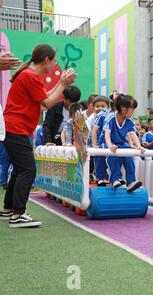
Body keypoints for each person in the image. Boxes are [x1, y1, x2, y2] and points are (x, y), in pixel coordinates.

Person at [0, 44, 77, 227]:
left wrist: (60, 83)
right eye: (55, 60)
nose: (56, 64)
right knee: (28, 170)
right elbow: (49, 103)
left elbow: (43, 100)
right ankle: (18, 214)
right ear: (46, 60)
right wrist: (64, 83)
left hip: (15, 127)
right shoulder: (30, 76)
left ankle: (9, 209)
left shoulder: (29, 75)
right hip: (16, 128)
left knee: (20, 170)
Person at [104, 94, 145, 192]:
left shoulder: (129, 121)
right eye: (132, 110)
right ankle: (114, 179)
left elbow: (133, 134)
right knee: (113, 157)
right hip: (109, 143)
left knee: (128, 158)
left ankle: (131, 181)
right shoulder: (110, 118)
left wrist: (139, 146)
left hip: (122, 143)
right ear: (124, 109)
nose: (133, 112)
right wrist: (110, 146)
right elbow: (107, 135)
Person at [92, 97, 116, 186]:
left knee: (113, 159)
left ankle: (114, 178)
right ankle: (100, 178)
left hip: (109, 142)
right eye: (97, 106)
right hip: (99, 143)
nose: (100, 108)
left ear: (108, 107)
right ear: (93, 107)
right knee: (99, 160)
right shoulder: (94, 117)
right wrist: (95, 145)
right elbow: (93, 131)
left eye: (103, 106)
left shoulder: (110, 115)